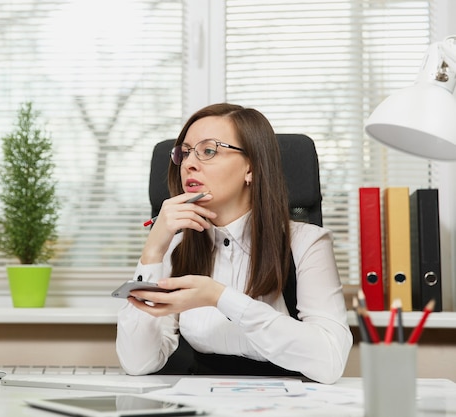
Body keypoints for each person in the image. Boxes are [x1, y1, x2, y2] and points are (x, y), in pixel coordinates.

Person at [116, 103, 352, 384]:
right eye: (185, 152)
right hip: (200, 399)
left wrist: (220, 297)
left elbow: (330, 361)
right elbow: (137, 362)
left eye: (208, 151)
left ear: (251, 167)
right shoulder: (176, 245)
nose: (189, 163)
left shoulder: (306, 242)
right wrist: (153, 251)